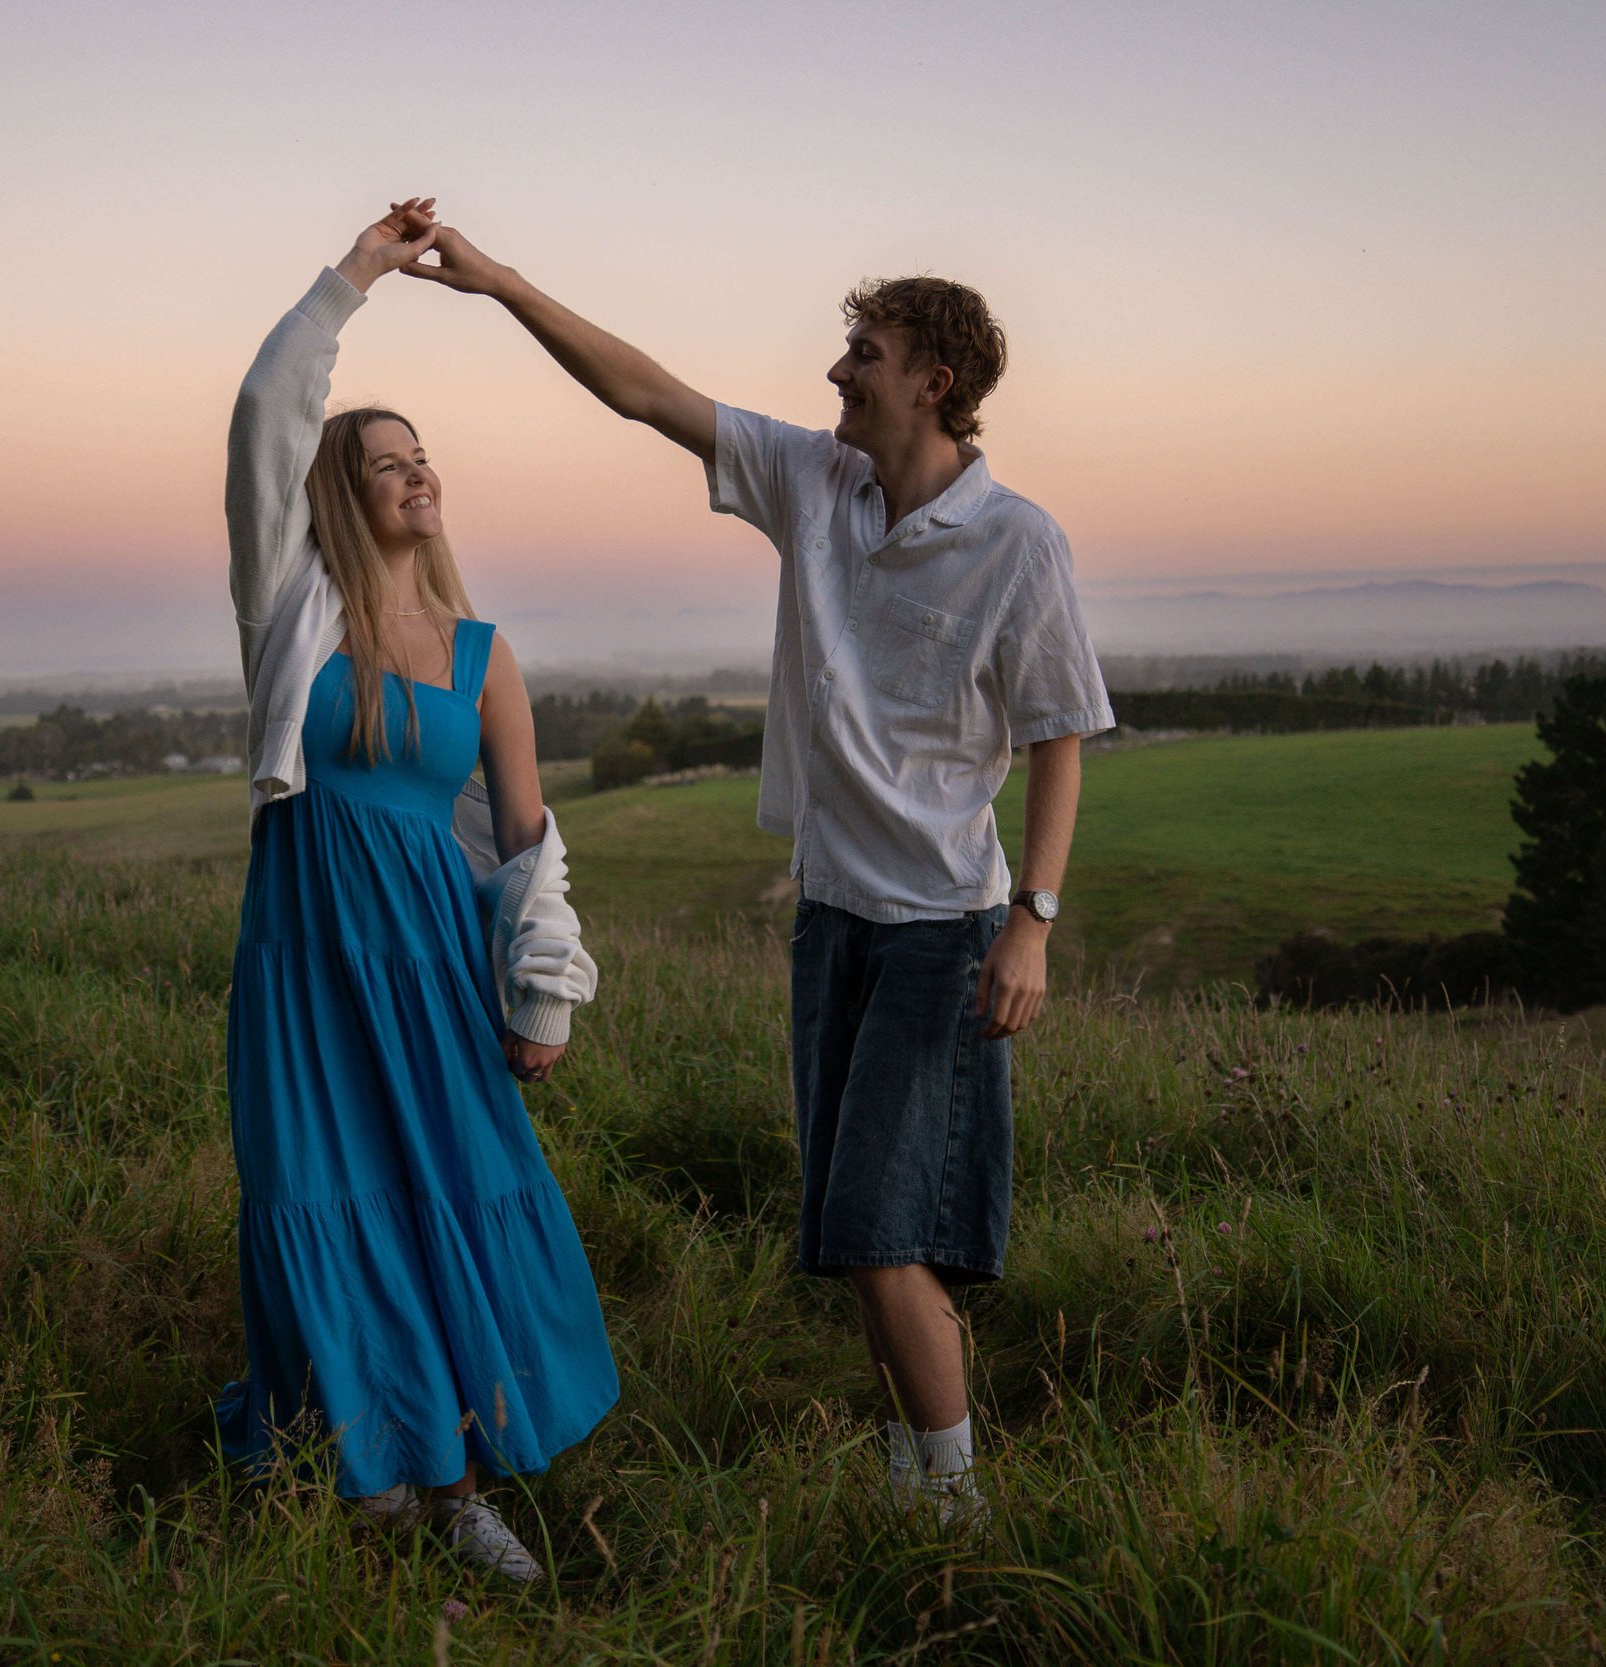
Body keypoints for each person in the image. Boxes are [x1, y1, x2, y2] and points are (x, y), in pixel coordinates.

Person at [404, 219, 1110, 1523]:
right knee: (857, 1240)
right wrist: (500, 284)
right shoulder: (812, 483)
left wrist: (1035, 924)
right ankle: (916, 1476)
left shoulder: (1019, 544)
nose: (838, 371)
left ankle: (955, 1508)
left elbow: (1062, 737)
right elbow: (645, 392)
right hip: (830, 920)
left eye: (866, 352)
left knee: (884, 1238)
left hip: (942, 929)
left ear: (932, 382)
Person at [215, 199, 618, 1580]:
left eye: (424, 458)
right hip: (307, 959)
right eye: (386, 463)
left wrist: (544, 998)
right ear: (341, 493)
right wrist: (355, 279)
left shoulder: (485, 652)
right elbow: (268, 417)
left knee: (446, 1192)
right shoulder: (292, 610)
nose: (414, 475)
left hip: (435, 968)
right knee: (322, 1191)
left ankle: (456, 1486)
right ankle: (375, 1464)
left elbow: (526, 840)